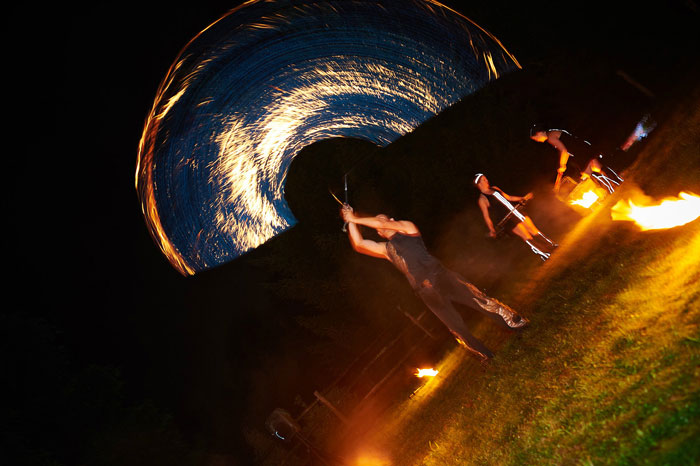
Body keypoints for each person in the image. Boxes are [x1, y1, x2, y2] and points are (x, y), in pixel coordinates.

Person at [340, 204, 528, 362]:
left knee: (480, 301)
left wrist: (354, 217)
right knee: (456, 328)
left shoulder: (408, 228)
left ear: (391, 220)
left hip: (442, 277)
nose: (379, 224)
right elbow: (359, 245)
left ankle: (516, 323)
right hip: (426, 293)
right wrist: (350, 221)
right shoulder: (386, 250)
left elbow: (381, 223)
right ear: (379, 233)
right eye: (377, 225)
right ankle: (486, 356)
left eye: (381, 219)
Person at [474, 173, 557, 261]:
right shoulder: (482, 199)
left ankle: (552, 245)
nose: (487, 180)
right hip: (508, 220)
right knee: (526, 236)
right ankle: (544, 254)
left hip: (517, 212)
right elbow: (486, 216)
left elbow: (509, 197)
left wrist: (522, 198)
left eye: (486, 178)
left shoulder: (494, 188)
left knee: (533, 230)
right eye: (484, 180)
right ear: (479, 184)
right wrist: (492, 230)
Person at [529, 125, 609, 193]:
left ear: (539, 133)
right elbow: (565, 149)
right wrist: (562, 165)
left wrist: (562, 165)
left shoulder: (550, 137)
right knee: (590, 171)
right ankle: (608, 187)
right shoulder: (552, 133)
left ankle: (610, 186)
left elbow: (564, 150)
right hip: (580, 149)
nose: (537, 140)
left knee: (590, 171)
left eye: (535, 138)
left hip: (580, 150)